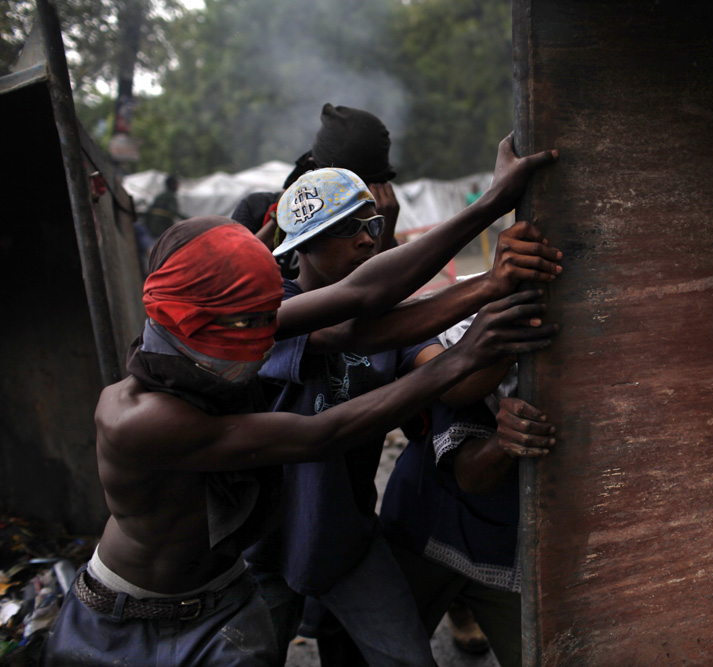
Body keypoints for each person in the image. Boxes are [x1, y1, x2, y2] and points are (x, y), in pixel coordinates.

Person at [41, 135, 558, 666]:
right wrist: (463, 352)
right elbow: (322, 434)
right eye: (249, 321)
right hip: (132, 613)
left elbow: (362, 300)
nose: (266, 332)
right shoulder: (143, 418)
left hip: (234, 586)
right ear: (193, 323)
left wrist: (494, 205)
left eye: (268, 316)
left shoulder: (220, 331)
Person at [243, 165, 563, 666]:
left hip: (344, 539)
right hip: (265, 545)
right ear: (301, 247)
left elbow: (458, 386)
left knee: (406, 658)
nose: (367, 240)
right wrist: (487, 287)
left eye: (370, 226)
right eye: (346, 229)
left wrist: (508, 324)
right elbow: (351, 326)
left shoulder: (394, 323)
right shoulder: (276, 311)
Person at [381, 318, 554, 667]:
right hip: (429, 525)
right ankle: (460, 605)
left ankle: (464, 603)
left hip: (512, 548)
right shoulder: (465, 329)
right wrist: (504, 441)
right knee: (382, 646)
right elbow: (469, 474)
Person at [231, 104, 400, 279]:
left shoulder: (371, 234)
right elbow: (231, 275)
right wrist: (285, 216)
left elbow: (376, 294)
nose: (350, 197)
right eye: (337, 186)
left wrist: (381, 233)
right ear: (312, 169)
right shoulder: (256, 209)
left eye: (362, 187)